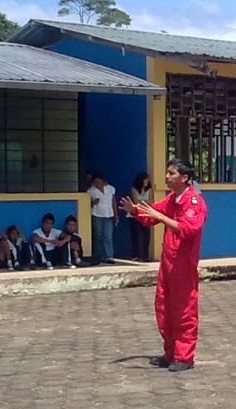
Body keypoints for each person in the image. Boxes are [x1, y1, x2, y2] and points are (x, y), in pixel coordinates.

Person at [121, 159, 207, 372]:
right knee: (164, 307)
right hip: (168, 263)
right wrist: (135, 210)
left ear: (184, 178)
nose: (167, 177)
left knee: (184, 309)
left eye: (171, 173)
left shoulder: (194, 202)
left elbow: (188, 229)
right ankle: (170, 352)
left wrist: (159, 216)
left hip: (183, 265)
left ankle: (184, 356)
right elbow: (151, 215)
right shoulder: (172, 199)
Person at [88, 172, 118, 264]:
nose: (97, 183)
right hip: (97, 215)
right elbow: (86, 205)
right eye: (95, 182)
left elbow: (113, 202)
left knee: (108, 236)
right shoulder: (90, 191)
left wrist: (116, 214)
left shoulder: (110, 188)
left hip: (108, 215)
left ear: (102, 181)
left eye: (99, 181)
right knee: (97, 236)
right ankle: (98, 256)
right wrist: (93, 203)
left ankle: (109, 256)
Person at [128, 172, 153, 262]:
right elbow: (135, 201)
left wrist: (141, 202)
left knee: (146, 235)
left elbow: (151, 202)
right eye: (146, 179)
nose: (148, 181)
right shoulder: (134, 189)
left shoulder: (149, 189)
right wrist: (145, 202)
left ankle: (145, 255)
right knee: (136, 235)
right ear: (141, 180)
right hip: (134, 214)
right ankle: (136, 255)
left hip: (146, 213)